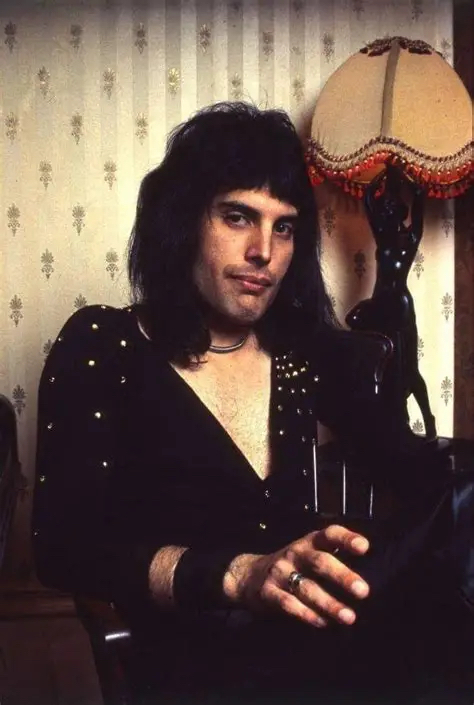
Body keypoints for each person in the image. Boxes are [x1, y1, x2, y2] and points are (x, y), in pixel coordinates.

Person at [33, 103, 474, 704]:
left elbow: (417, 473)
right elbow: (64, 549)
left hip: (323, 636)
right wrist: (238, 575)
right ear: (183, 221)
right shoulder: (107, 344)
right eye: (237, 216)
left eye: (284, 227)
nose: (264, 251)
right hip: (197, 662)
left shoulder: (301, 350)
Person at [346, 165, 437, 441]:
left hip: (400, 307)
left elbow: (419, 197)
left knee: (408, 368)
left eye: (389, 208)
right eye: (384, 208)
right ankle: (390, 423)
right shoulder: (382, 235)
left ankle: (428, 419)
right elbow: (368, 198)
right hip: (379, 305)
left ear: (399, 212)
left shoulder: (410, 238)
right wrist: (385, 171)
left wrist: (407, 177)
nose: (384, 211)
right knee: (378, 363)